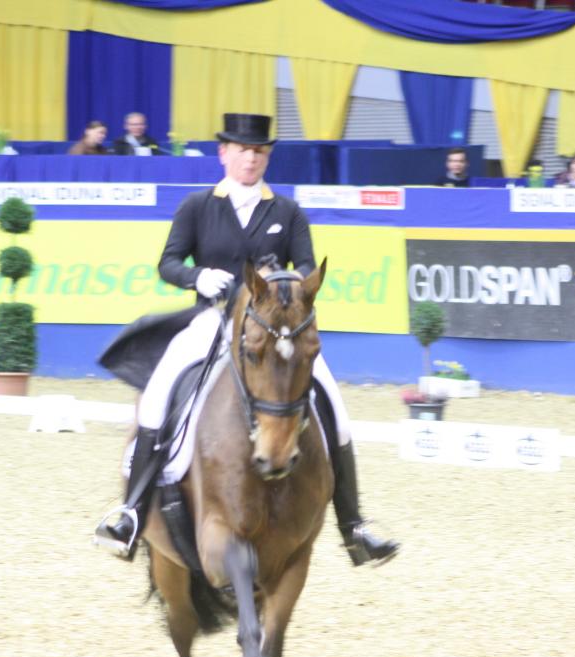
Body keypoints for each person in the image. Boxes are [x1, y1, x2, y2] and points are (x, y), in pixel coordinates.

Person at [96, 113, 399, 567]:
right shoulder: (198, 206)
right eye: (242, 150)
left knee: (333, 401)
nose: (250, 159)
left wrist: (283, 280)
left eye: (258, 152)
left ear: (266, 157)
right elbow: (168, 263)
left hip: (273, 325)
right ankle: (132, 512)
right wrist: (201, 276)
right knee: (159, 393)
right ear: (224, 154)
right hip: (212, 320)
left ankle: (353, 524)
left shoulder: (287, 212)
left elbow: (306, 266)